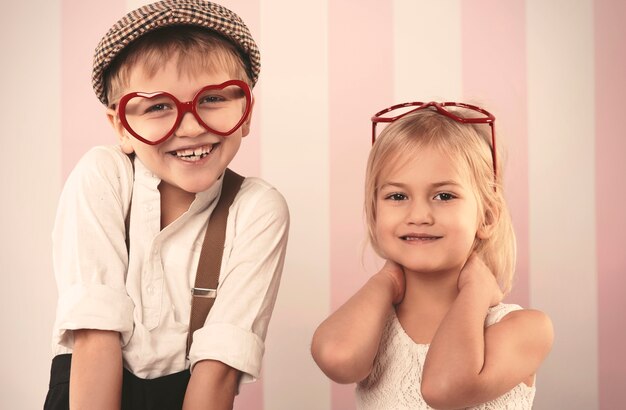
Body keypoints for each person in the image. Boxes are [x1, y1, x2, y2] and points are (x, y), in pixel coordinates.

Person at [44, 1, 289, 409]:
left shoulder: (257, 208)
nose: (191, 127)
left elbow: (219, 369)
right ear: (122, 128)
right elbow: (94, 334)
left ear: (246, 112)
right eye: (158, 106)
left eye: (212, 99)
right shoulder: (103, 175)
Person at [311, 102, 553, 409]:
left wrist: (476, 290)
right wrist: (386, 280)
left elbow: (444, 387)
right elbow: (337, 357)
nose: (420, 215)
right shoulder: (371, 323)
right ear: (374, 215)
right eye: (397, 196)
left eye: (444, 196)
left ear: (488, 217)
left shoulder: (525, 328)